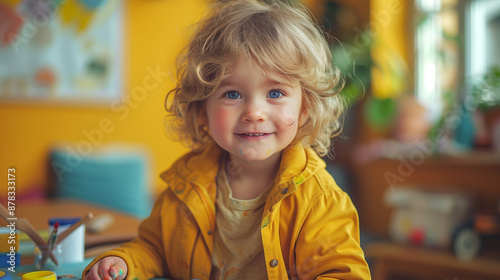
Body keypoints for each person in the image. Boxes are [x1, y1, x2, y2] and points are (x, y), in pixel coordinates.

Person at [83, 0, 370, 279]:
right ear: (202, 109)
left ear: (305, 107)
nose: (254, 113)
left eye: (275, 93)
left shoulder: (320, 200)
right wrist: (122, 261)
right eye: (232, 94)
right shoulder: (185, 185)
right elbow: (154, 248)